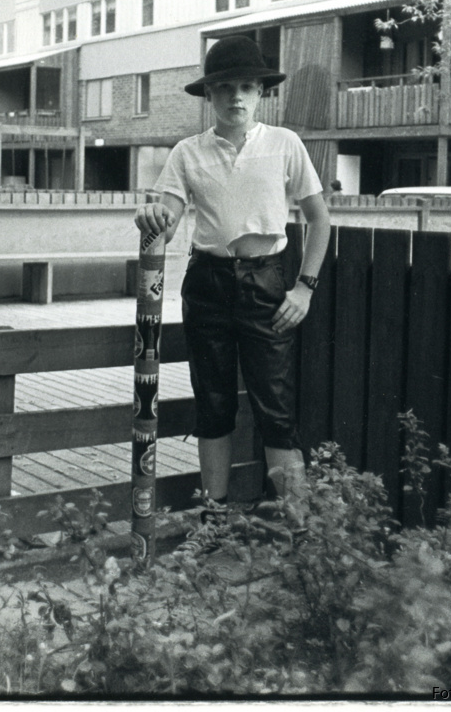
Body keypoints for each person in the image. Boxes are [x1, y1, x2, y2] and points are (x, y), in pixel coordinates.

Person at [134, 35, 331, 519]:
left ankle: (299, 527)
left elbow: (319, 219)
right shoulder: (187, 152)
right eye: (224, 88)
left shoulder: (285, 144)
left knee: (276, 409)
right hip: (209, 287)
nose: (235, 97)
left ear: (261, 92)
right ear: (209, 95)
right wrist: (153, 217)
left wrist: (304, 288)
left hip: (267, 285)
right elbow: (168, 214)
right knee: (214, 406)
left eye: (246, 87)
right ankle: (215, 519)